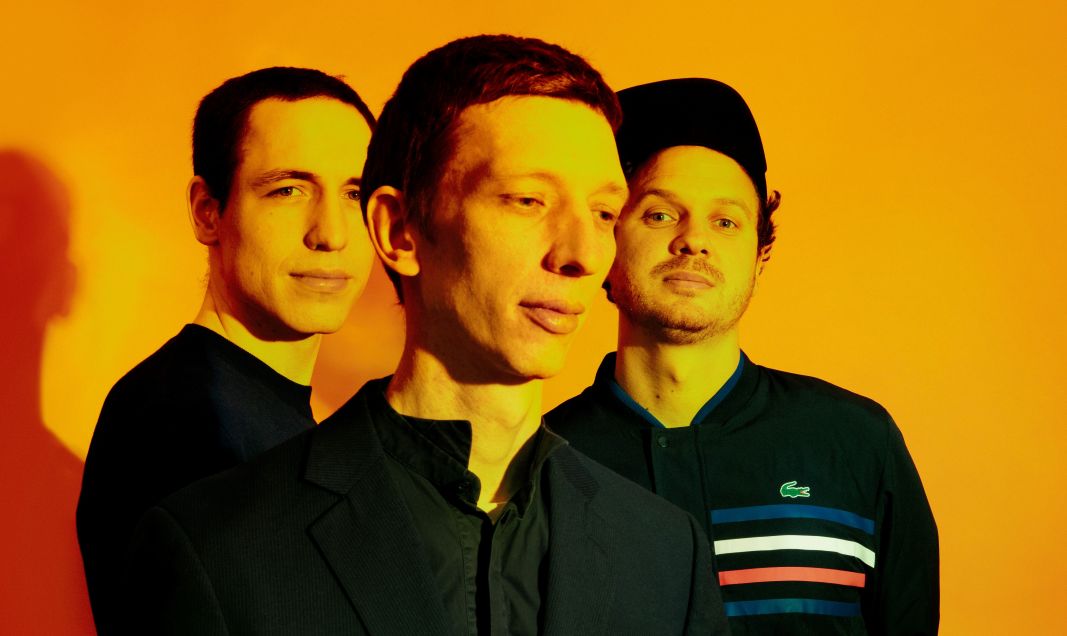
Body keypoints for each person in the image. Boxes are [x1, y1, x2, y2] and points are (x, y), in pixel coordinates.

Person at [120, 36, 728, 635]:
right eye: (527, 200)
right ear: (399, 230)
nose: (582, 254)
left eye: (603, 213)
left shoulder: (667, 556)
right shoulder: (219, 548)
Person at [547, 78, 939, 634]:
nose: (694, 240)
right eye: (660, 215)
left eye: (726, 221)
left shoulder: (856, 444)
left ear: (760, 254)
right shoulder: (539, 466)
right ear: (606, 241)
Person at [76, 67, 376, 634]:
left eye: (354, 193)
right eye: (288, 190)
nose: (331, 233)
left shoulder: (257, 411)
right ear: (207, 211)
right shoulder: (185, 418)